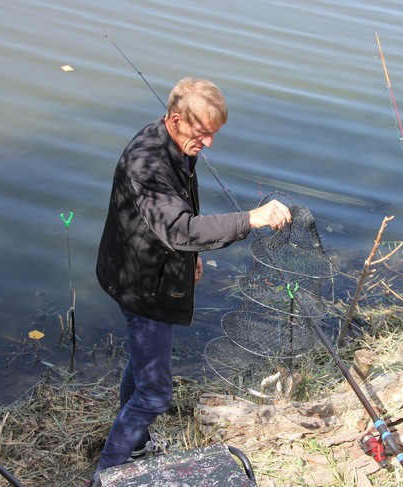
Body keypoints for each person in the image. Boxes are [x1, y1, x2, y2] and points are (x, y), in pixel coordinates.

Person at [92, 77, 291, 482]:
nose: (209, 143)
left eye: (213, 134)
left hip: (147, 267)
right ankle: (108, 474)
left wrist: (192, 256)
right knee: (155, 392)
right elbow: (178, 228)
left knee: (143, 366)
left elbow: (176, 221)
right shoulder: (145, 163)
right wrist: (249, 219)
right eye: (203, 134)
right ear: (176, 118)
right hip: (141, 283)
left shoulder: (175, 142)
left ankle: (137, 443)